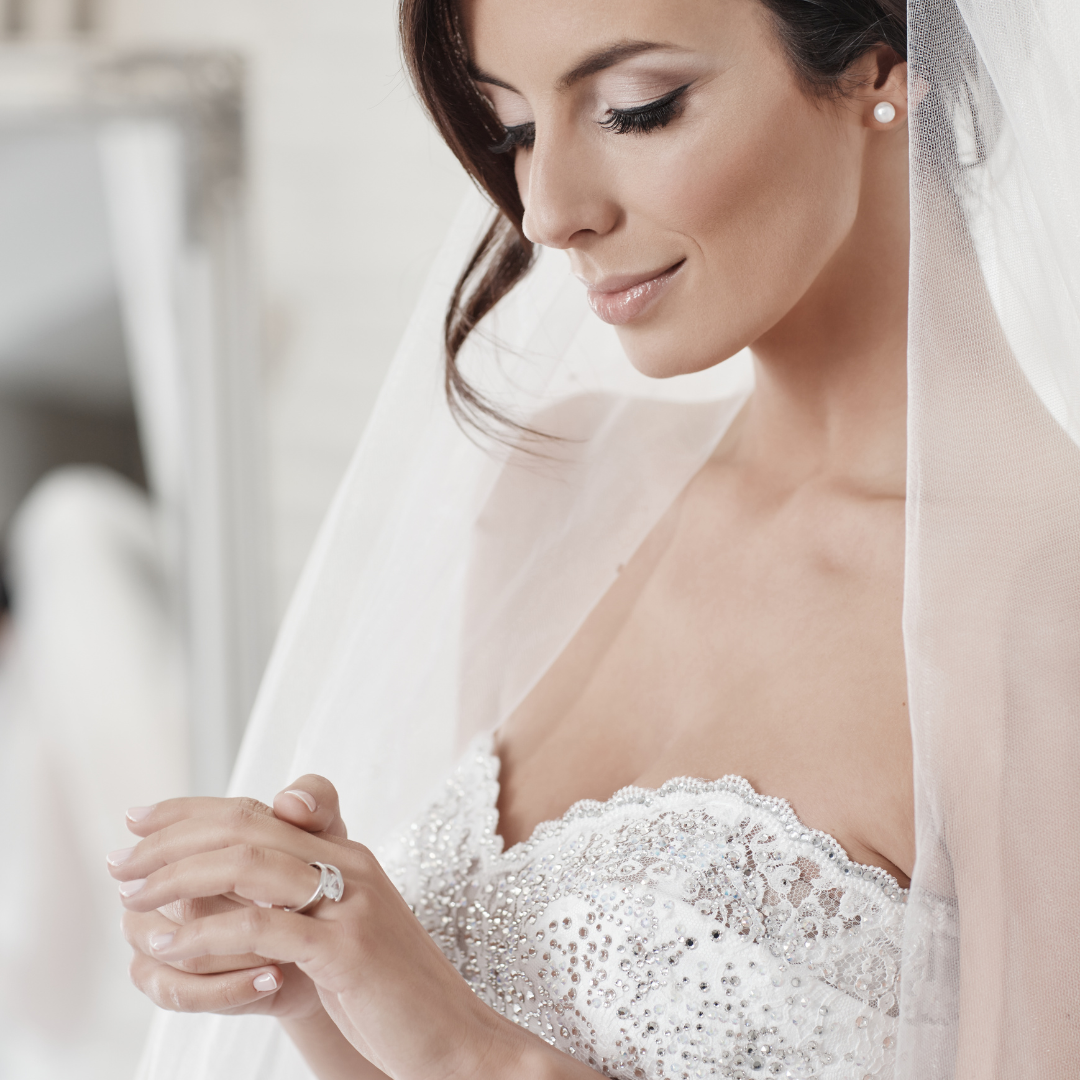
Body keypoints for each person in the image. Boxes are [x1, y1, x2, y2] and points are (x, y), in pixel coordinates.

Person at [110, 0, 1080, 1077]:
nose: (547, 211)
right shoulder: (561, 484)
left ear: (879, 68)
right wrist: (319, 978)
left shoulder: (1040, 604)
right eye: (519, 128)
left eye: (636, 110)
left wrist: (469, 1050)